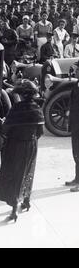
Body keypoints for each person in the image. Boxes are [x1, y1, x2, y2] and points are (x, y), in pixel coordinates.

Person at [0, 80, 44, 222]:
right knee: (28, 172)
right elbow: (40, 132)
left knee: (14, 175)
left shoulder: (16, 109)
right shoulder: (37, 109)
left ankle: (14, 208)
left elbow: (6, 130)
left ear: (21, 95)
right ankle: (26, 200)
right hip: (31, 145)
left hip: (15, 146)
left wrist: (1, 123)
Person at [66, 62, 79, 191]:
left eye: (77, 69)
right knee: (76, 152)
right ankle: (77, 178)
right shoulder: (77, 84)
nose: (75, 72)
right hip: (76, 124)